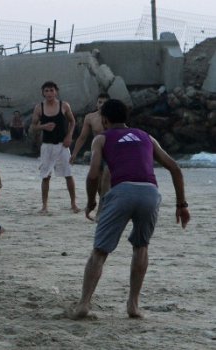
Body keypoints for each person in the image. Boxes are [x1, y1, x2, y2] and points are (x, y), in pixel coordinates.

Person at [71, 99, 190, 320]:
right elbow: (175, 168)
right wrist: (181, 204)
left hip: (122, 192)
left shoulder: (101, 138)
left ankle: (84, 304)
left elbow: (94, 174)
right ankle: (133, 305)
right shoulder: (147, 137)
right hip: (150, 193)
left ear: (104, 119)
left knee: (100, 251)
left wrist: (91, 202)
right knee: (141, 246)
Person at [30, 81, 79, 214]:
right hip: (47, 146)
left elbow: (72, 121)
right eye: (46, 91)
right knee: (46, 176)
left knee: (68, 174)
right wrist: (43, 127)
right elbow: (33, 127)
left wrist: (69, 136)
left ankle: (73, 204)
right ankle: (44, 206)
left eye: (51, 90)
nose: (49, 93)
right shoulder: (39, 108)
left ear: (56, 91)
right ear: (43, 93)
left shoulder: (64, 105)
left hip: (62, 145)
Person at [71, 93, 111, 218]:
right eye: (99, 102)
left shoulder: (114, 117)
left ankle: (101, 210)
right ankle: (103, 206)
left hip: (112, 153)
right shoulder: (90, 117)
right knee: (99, 185)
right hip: (97, 153)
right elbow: (82, 137)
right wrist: (74, 153)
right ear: (96, 103)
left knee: (107, 181)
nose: (101, 105)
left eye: (104, 102)